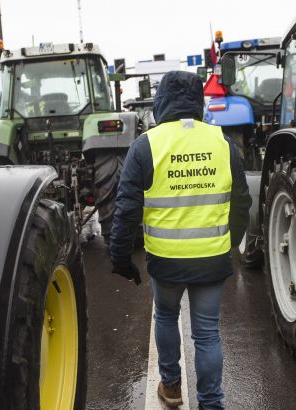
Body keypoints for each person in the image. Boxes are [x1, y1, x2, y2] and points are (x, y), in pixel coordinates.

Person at [109, 71, 251, 409]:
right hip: (211, 258)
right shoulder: (222, 143)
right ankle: (211, 403)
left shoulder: (146, 145)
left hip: (166, 260)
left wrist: (120, 258)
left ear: (161, 102)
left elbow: (126, 209)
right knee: (206, 333)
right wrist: (229, 244)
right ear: (198, 102)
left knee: (166, 317)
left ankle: (171, 387)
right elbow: (242, 201)